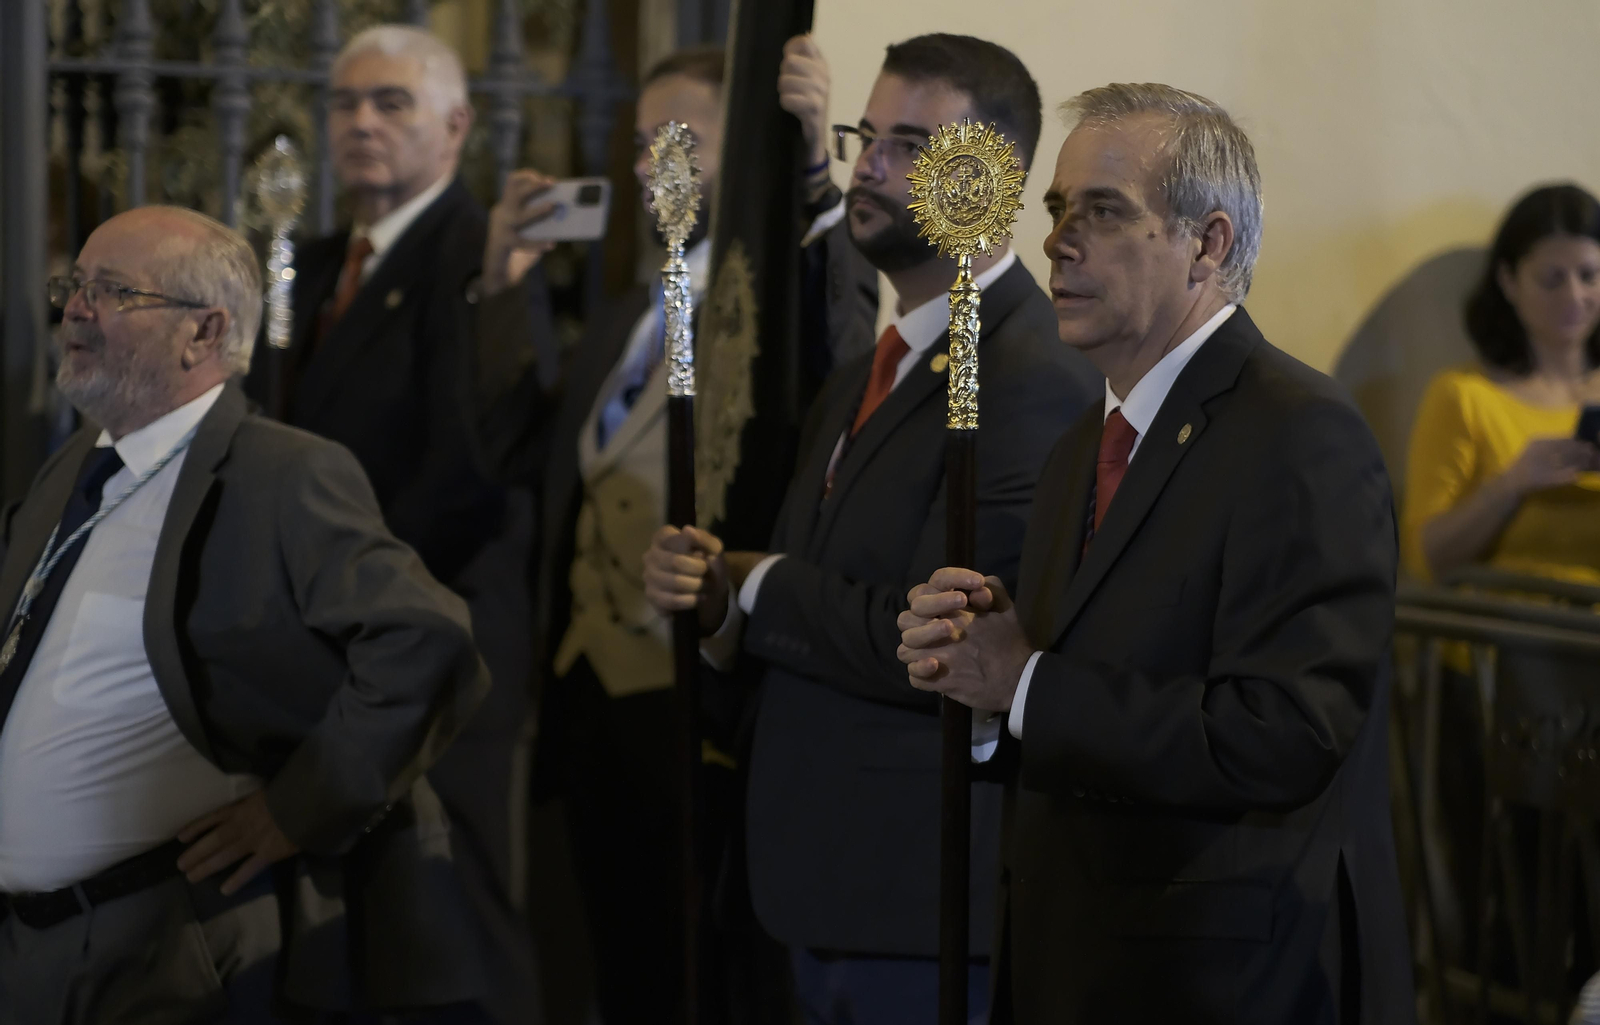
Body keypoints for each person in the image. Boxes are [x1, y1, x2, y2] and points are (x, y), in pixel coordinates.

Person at [896, 84, 1414, 1023]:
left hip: (1223, 983)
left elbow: (1285, 734)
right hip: (1076, 964)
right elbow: (1061, 697)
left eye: (1103, 210)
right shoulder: (1078, 449)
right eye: (1058, 211)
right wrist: (978, 690)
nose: (1058, 239)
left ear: (1207, 244)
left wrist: (1023, 684)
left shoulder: (1301, 434)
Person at [641, 35, 1100, 1024]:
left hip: (919, 897)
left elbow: (945, 642)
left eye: (912, 143)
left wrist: (756, 584)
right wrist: (720, 606)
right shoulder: (862, 372)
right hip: (808, 883)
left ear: (990, 178)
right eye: (866, 136)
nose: (873, 166)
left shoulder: (1029, 375)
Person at [0, 206, 489, 1022]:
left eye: (112, 290)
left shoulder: (283, 470)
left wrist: (299, 807)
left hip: (162, 946)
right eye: (75, 285)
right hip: (28, 948)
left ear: (205, 331)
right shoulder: (68, 473)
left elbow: (424, 642)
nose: (75, 308)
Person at [471, 44, 876, 1024]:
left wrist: (815, 173)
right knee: (613, 964)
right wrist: (504, 285)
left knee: (709, 971)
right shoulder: (624, 316)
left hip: (697, 698)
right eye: (644, 143)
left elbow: (843, 337)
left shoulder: (770, 299)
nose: (653, 165)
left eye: (682, 141)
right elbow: (517, 448)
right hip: (587, 696)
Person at [241, 25, 541, 1023]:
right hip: (322, 640)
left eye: (390, 103)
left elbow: (477, 464)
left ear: (455, 125)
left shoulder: (480, 256)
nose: (360, 121)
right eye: (344, 102)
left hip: (434, 636)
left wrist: (328, 583)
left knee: (453, 932)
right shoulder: (311, 262)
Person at [1402, 183, 1600, 586]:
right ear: (1509, 282)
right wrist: (1511, 485)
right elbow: (1424, 559)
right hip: (1512, 640)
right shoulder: (1465, 397)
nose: (1574, 295)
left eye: (1589, 275)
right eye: (1551, 279)